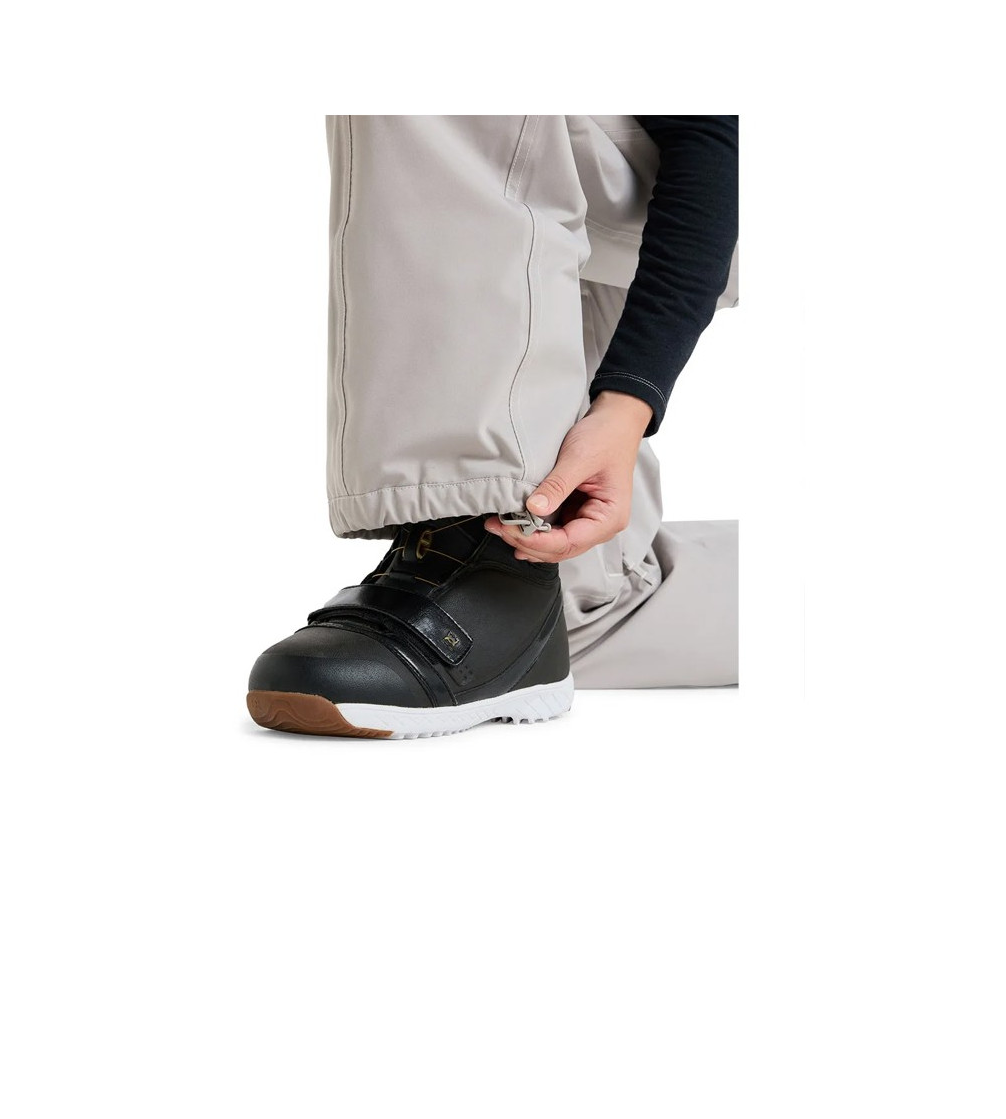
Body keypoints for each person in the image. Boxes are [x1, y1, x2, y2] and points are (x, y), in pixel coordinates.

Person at [247, 115, 739, 739]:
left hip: (702, 195)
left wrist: (627, 403)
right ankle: (507, 581)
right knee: (584, 606)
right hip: (577, 201)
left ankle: (484, 535)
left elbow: (716, 138)